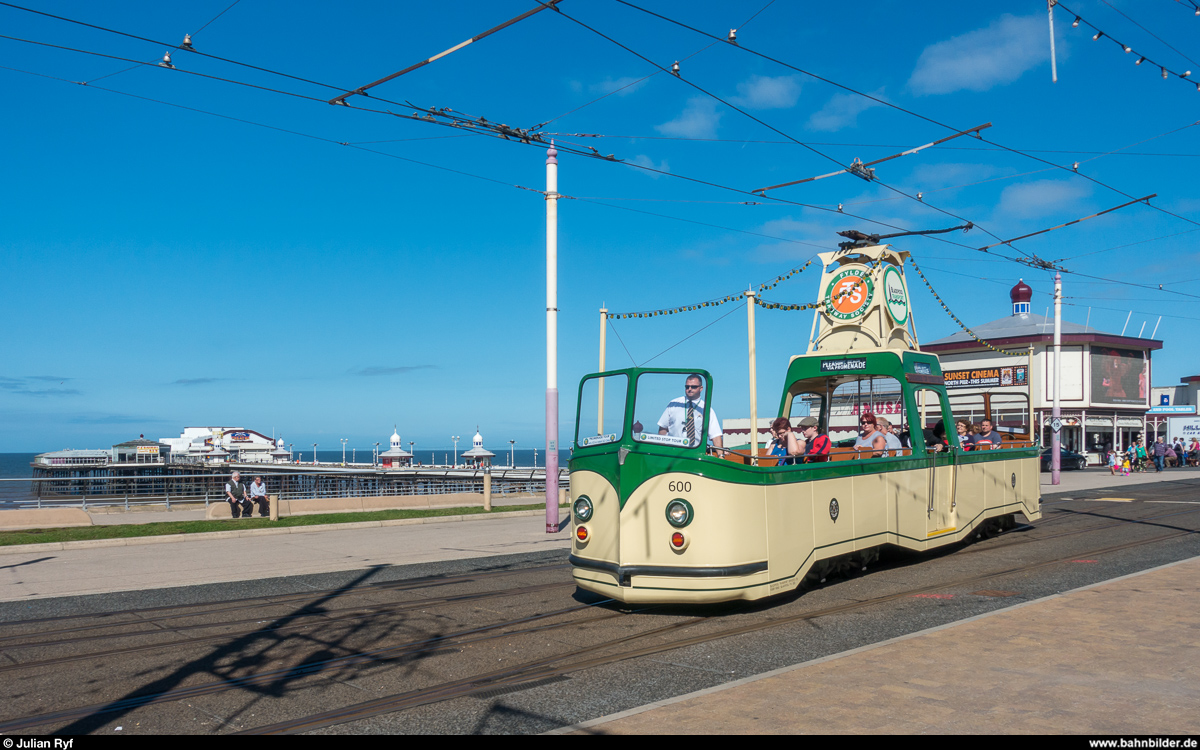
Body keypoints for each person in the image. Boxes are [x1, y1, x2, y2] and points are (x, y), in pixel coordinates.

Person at [658, 374, 724, 451]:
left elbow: (715, 436)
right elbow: (663, 429)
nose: (689, 389)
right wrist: (662, 450)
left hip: (695, 453)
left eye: (693, 387)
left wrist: (721, 455)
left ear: (701, 388)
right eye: (687, 387)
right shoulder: (674, 404)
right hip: (673, 452)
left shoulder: (706, 409)